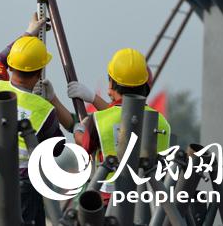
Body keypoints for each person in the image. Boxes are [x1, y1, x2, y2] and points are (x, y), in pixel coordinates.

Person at [0, 13, 74, 226]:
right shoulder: (43, 109)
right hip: (23, 186)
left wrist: (28, 33)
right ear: (40, 73)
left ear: (11, 67)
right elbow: (57, 148)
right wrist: (52, 99)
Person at [68, 48, 170, 204]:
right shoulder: (162, 121)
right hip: (148, 204)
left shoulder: (99, 119)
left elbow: (84, 145)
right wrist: (94, 98)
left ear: (112, 83)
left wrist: (78, 130)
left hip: (108, 201)